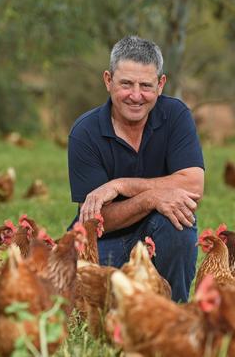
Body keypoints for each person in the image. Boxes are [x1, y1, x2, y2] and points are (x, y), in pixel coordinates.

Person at [67, 36, 204, 302]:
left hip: (159, 236)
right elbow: (96, 220)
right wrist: (151, 198)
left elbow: (193, 185)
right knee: (87, 299)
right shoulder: (85, 132)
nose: (136, 95)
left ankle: (174, 312)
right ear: (108, 81)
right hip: (103, 242)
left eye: (146, 86)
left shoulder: (176, 116)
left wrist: (120, 185)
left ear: (161, 85)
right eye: (126, 84)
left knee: (178, 220)